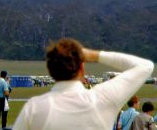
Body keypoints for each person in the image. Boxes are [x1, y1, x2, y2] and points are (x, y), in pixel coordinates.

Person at [13, 38, 154, 130]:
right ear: (82, 67)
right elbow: (145, 66)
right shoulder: (103, 98)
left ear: (50, 70)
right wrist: (94, 55)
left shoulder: (34, 108)